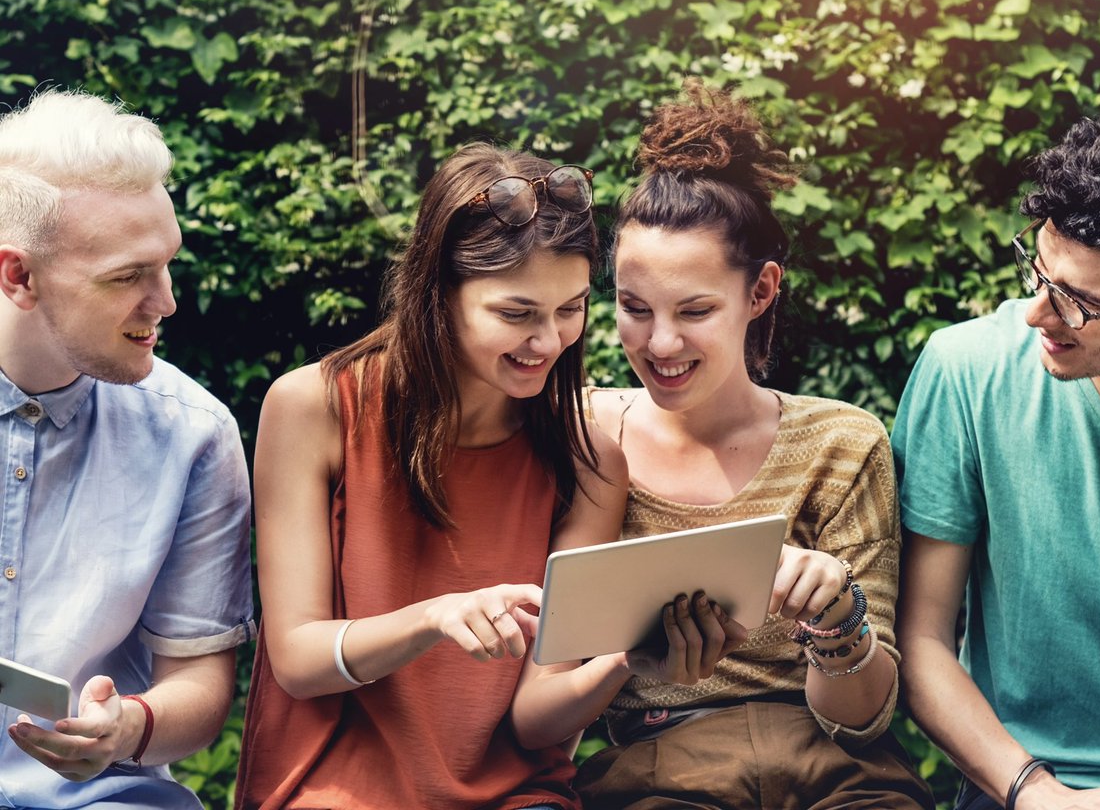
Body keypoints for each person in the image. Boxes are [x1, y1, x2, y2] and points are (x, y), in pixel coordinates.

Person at [511, 81, 933, 810]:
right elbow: (537, 717)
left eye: (697, 310)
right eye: (634, 309)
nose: (661, 344)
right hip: (658, 773)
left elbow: (866, 719)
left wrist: (838, 621)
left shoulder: (840, 443)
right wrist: (626, 660)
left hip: (834, 769)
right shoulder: (581, 437)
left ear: (761, 291)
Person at [235, 143, 628, 810]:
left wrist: (627, 661)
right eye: (516, 314)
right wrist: (435, 619)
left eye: (572, 308)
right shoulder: (315, 408)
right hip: (333, 789)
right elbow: (299, 661)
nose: (551, 341)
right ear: (437, 293)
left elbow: (537, 719)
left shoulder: (589, 459)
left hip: (515, 796)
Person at [892, 111, 1100, 810]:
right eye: (1037, 271)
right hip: (1025, 784)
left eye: (1078, 302)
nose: (1037, 313)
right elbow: (921, 640)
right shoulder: (967, 370)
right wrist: (1037, 794)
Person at [0, 88, 256, 808]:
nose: (167, 300)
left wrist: (131, 728)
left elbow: (201, 691)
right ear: (18, 275)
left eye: (166, 263)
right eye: (127, 277)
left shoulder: (193, 433)